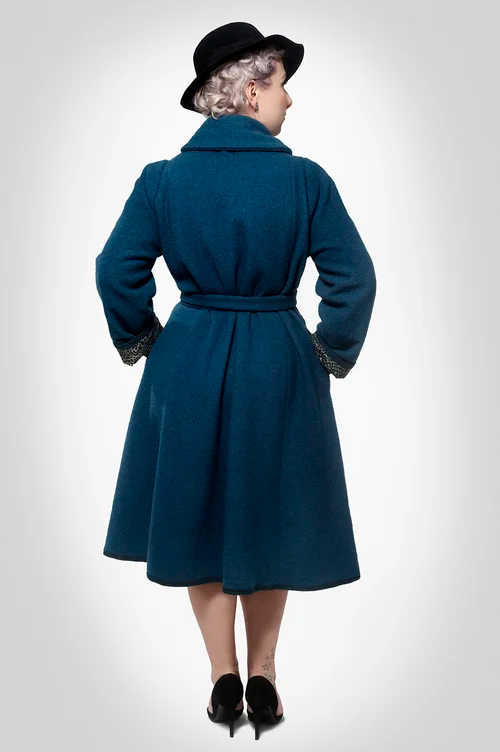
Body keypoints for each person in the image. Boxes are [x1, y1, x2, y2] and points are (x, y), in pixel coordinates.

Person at [95, 22, 377, 740]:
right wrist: (329, 351)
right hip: (278, 356)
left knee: (198, 510)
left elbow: (115, 270)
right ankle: (264, 674)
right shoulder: (304, 180)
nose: (289, 100)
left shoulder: (163, 180)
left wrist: (145, 339)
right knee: (270, 509)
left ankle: (221, 675)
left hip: (187, 357)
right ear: (252, 90)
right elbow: (354, 278)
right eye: (282, 84)